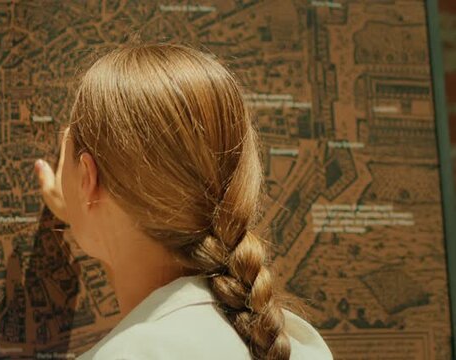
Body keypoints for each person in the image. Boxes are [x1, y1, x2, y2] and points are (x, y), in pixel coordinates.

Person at [33, 43, 333, 360]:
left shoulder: (128, 353)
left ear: (86, 178)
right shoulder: (294, 343)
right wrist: (90, 207)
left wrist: (88, 208)